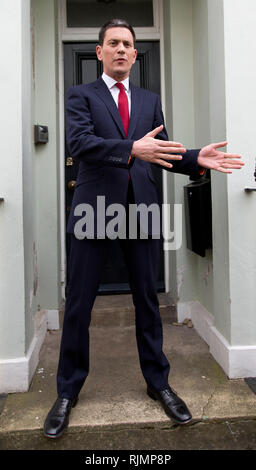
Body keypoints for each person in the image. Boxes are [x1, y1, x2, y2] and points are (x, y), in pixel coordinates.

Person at [43, 19, 244, 438]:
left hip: (142, 209)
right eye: (113, 43)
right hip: (93, 210)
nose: (121, 49)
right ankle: (67, 392)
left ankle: (159, 384)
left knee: (148, 305)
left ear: (135, 55)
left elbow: (161, 152)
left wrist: (194, 157)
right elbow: (79, 144)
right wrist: (132, 148)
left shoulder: (150, 100)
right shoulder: (81, 95)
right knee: (79, 304)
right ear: (99, 51)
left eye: (128, 44)